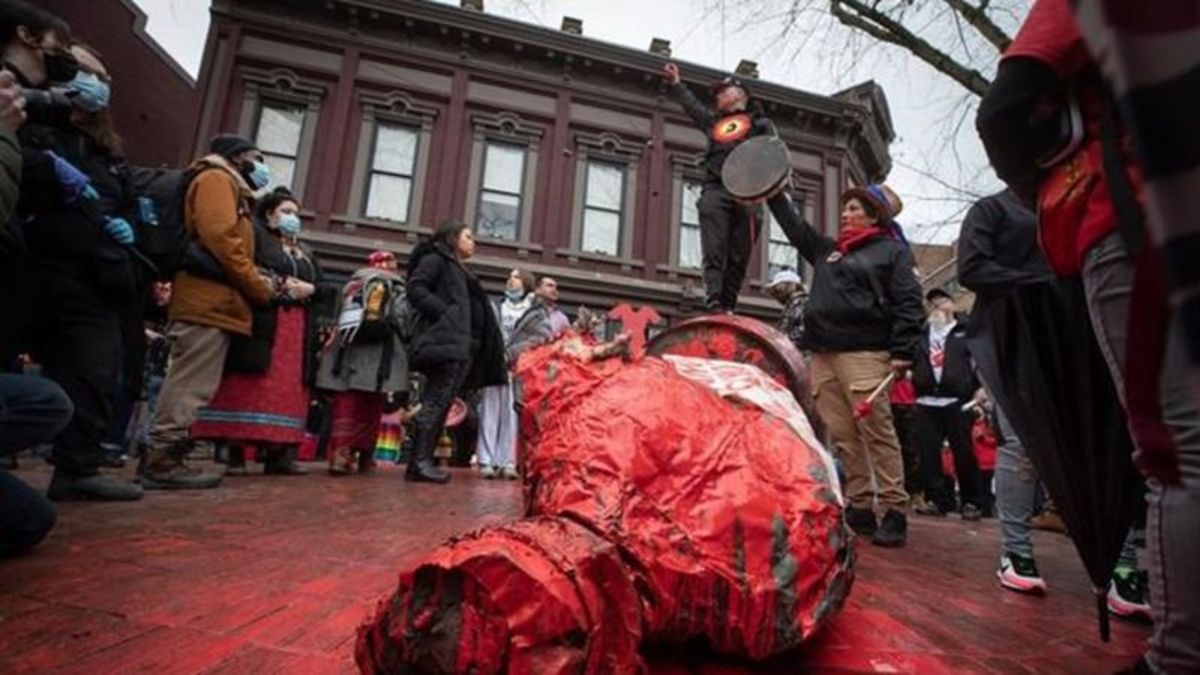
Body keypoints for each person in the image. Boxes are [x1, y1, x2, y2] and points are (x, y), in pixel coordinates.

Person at [977, 8, 1198, 664]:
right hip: (1091, 266)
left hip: (1134, 218)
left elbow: (1004, 110)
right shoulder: (989, 220)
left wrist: (1069, 184)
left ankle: (1177, 656)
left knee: (1178, 450)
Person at [958, 189, 1149, 615]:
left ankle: (1121, 565)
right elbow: (972, 267)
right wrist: (1044, 281)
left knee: (1102, 447)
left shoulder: (1083, 201)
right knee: (1022, 446)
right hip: (1018, 338)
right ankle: (1016, 551)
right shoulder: (993, 209)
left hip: (1081, 336)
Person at [8, 26, 145, 500]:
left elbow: (127, 198)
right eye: (86, 73)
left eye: (102, 77)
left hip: (96, 274)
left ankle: (76, 468)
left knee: (92, 372)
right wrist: (49, 170)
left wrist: (130, 225)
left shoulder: (108, 147)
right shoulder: (28, 115)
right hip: (33, 261)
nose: (96, 84)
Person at [769, 185, 924, 547]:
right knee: (842, 435)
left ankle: (894, 510)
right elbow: (795, 229)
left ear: (874, 215)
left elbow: (908, 302)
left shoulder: (893, 253)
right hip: (824, 353)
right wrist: (774, 194)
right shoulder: (828, 251)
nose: (845, 214)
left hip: (866, 353)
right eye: (845, 209)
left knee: (877, 432)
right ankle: (860, 505)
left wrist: (903, 350)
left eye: (854, 209)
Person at [141, 134, 278, 490]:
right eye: (256, 159)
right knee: (188, 384)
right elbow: (223, 241)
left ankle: (168, 454)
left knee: (194, 384)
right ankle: (162, 460)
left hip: (216, 303)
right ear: (237, 158)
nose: (262, 168)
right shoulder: (217, 179)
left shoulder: (230, 188)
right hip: (206, 302)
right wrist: (257, 284)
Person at [191, 188, 321, 476]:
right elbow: (245, 268)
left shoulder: (305, 251)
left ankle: (279, 452)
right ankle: (231, 448)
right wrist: (279, 285)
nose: (292, 218)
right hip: (265, 319)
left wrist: (310, 288)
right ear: (269, 214)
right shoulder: (256, 237)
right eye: (286, 212)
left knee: (289, 388)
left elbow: (320, 285)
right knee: (250, 381)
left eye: (296, 213)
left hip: (297, 328)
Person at [661, 62, 796, 313]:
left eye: (723, 91)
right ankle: (713, 299)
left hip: (749, 193)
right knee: (714, 245)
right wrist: (677, 84)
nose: (718, 97)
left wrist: (783, 181)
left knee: (739, 252)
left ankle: (728, 304)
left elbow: (776, 153)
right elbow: (693, 109)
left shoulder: (760, 123)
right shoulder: (714, 124)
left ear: (739, 95)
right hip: (716, 188)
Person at [405, 221, 506, 484]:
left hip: (460, 347)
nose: (473, 242)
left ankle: (421, 461)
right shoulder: (436, 260)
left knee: (441, 404)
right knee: (436, 402)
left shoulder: (460, 270)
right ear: (452, 238)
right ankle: (419, 463)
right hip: (444, 344)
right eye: (468, 236)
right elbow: (416, 288)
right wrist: (445, 314)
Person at [315, 250, 409, 476]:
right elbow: (403, 317)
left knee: (346, 402)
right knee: (372, 403)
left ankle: (340, 453)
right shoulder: (396, 286)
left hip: (347, 352)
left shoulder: (353, 284)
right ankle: (366, 457)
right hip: (381, 354)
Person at [910, 288, 985, 521]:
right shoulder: (921, 333)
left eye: (940, 301)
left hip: (957, 400)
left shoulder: (966, 331)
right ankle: (937, 499)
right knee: (929, 453)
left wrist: (981, 386)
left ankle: (972, 501)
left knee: (963, 452)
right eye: (931, 303)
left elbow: (980, 360)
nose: (936, 307)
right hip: (926, 399)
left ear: (951, 304)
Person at [476, 268, 533, 479]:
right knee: (489, 412)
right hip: (494, 365)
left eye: (517, 277)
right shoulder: (495, 307)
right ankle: (486, 459)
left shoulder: (533, 311)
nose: (512, 280)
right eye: (510, 276)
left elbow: (537, 337)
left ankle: (508, 461)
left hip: (518, 369)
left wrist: (513, 353)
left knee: (511, 414)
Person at [508, 275, 571, 364]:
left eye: (556, 287)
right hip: (519, 362)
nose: (554, 290)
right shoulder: (526, 309)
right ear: (537, 289)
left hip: (540, 366)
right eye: (549, 286)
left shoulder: (562, 319)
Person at [765, 268, 807, 351]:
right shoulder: (792, 305)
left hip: (797, 357)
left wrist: (783, 343)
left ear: (791, 286)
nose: (777, 294)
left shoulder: (801, 304)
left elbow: (803, 332)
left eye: (779, 289)